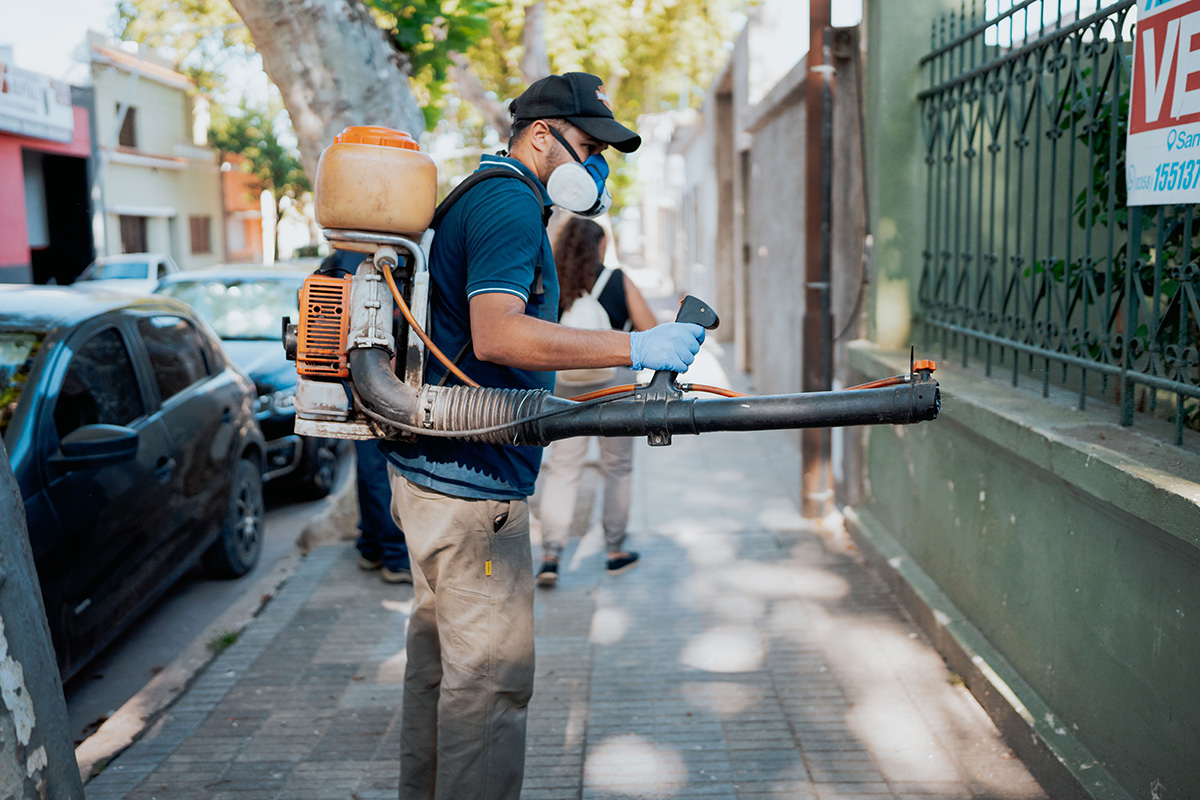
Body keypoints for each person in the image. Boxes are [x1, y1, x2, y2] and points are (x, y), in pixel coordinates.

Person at [379, 72, 706, 800]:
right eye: (587, 147)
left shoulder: (482, 193)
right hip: (474, 495)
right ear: (539, 134)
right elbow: (498, 335)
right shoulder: (506, 201)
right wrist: (636, 348)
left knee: (440, 674)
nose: (596, 169)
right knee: (490, 687)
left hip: (441, 479)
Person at [534, 216, 657, 588]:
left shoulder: (553, 282)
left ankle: (552, 556)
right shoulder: (618, 280)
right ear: (601, 246)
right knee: (617, 467)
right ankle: (615, 552)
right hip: (615, 383)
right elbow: (650, 330)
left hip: (566, 382)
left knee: (563, 468)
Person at [316, 252, 413, 584]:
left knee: (367, 460)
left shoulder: (340, 254)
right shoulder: (391, 250)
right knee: (377, 464)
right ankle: (395, 556)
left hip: (354, 371)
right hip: (378, 372)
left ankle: (371, 545)